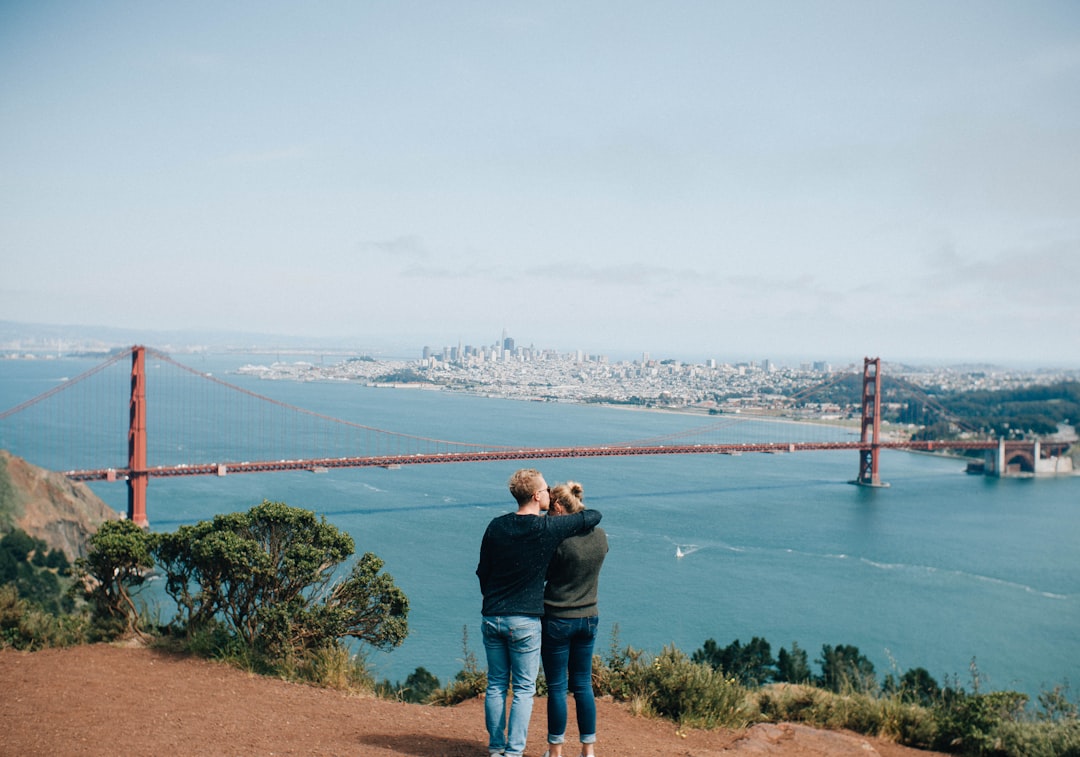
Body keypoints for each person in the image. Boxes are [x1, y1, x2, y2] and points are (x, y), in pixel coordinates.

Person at [476, 468, 603, 757]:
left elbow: (483, 571)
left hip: (492, 615)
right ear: (536, 495)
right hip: (525, 621)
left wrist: (493, 601)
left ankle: (496, 749)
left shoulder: (496, 526)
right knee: (523, 689)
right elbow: (593, 516)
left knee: (496, 684)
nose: (548, 493)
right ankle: (514, 752)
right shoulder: (546, 530)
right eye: (545, 489)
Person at [540, 481, 608, 757]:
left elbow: (543, 573)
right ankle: (588, 750)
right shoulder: (601, 537)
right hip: (589, 617)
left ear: (557, 506)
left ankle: (555, 751)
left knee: (557, 686)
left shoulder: (558, 541)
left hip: (557, 617)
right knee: (582, 684)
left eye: (550, 511)